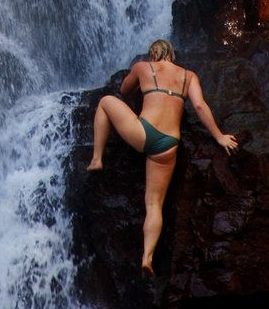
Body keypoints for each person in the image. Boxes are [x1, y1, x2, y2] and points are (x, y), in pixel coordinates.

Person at [86, 38, 238, 277]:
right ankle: (147, 256)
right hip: (168, 146)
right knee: (154, 204)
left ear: (153, 54)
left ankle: (97, 158)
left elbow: (124, 90)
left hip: (144, 133)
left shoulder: (143, 67)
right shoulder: (189, 76)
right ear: (171, 55)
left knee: (105, 102)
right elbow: (199, 106)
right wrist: (219, 137)